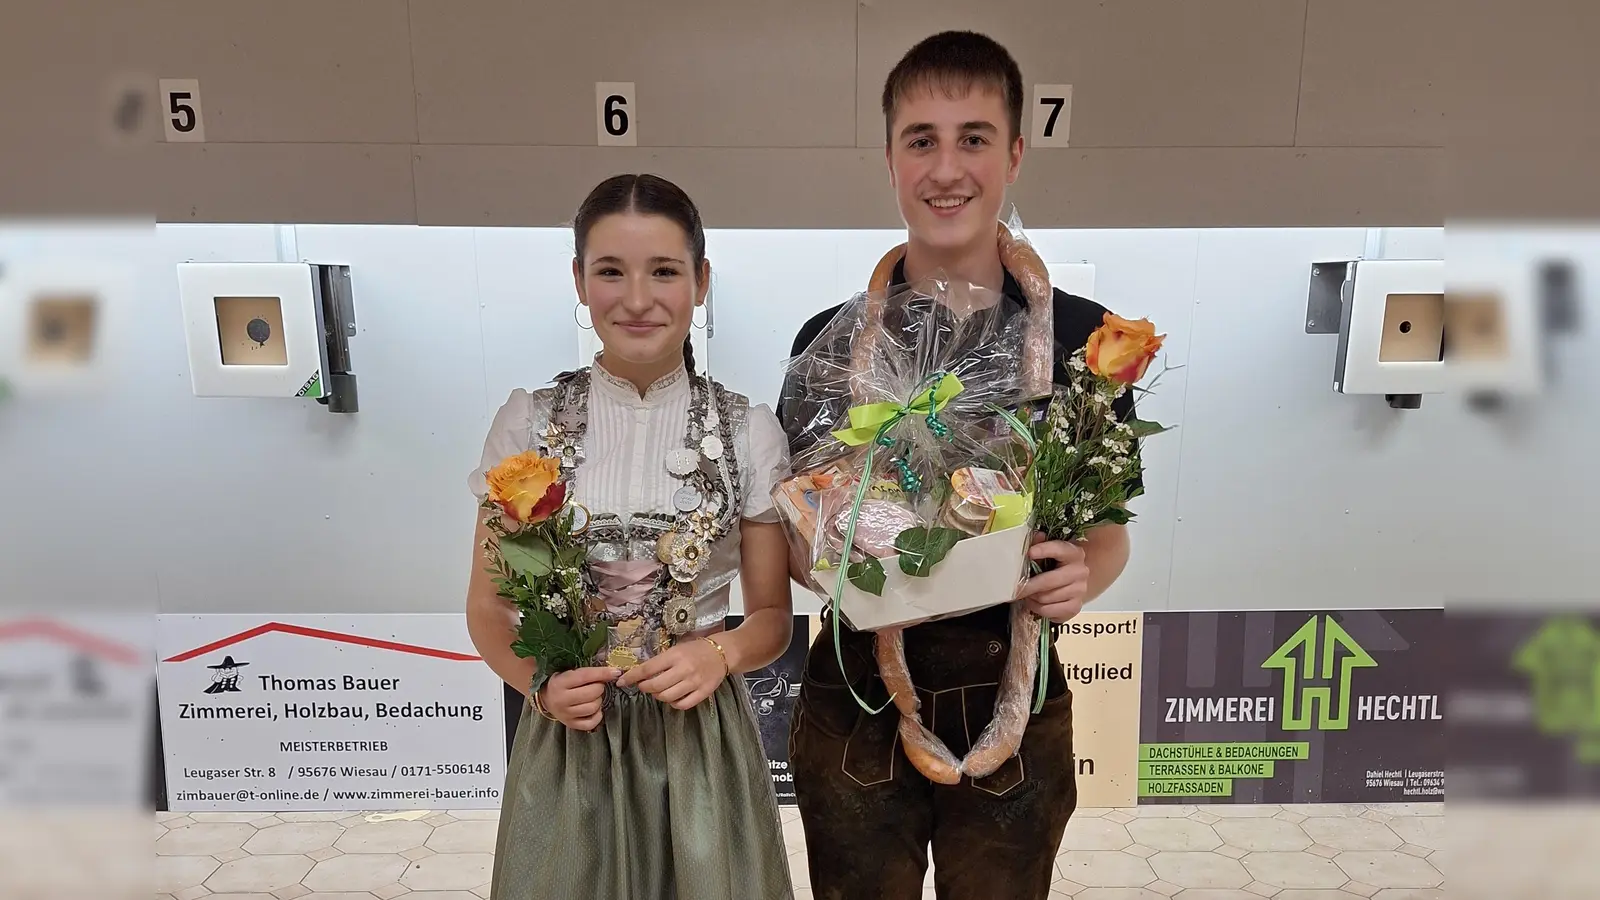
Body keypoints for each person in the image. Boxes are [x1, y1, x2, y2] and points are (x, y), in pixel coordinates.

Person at [777, 32, 1143, 900]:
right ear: (891, 159)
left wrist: (1080, 575)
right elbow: (801, 536)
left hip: (1016, 690)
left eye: (974, 137)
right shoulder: (827, 347)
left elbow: (1109, 532)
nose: (948, 168)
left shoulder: (1088, 342)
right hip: (860, 696)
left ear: (1016, 152)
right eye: (922, 140)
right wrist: (834, 561)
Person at [465, 173, 796, 900]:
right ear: (579, 281)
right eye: (610, 270)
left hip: (699, 742)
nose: (638, 299)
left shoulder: (749, 432)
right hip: (571, 742)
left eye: (665, 271)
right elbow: (488, 609)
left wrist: (720, 652)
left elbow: (772, 618)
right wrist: (541, 690)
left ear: (701, 281)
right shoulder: (528, 427)